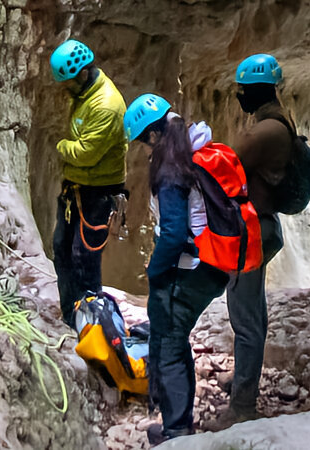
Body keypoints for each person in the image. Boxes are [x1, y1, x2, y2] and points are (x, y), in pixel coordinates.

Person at [123, 94, 251, 444]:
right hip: (212, 261)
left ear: (152, 136)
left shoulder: (170, 169)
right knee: (170, 332)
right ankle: (178, 422)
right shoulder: (194, 148)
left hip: (192, 266)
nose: (144, 151)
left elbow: (176, 231)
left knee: (168, 340)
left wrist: (155, 270)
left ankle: (176, 431)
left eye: (142, 144)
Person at [222, 53, 294, 424]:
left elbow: (228, 162)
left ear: (256, 90)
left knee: (247, 318)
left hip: (254, 230)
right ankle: (242, 381)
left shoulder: (268, 131)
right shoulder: (275, 122)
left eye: (243, 90)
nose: (240, 96)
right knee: (248, 310)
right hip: (258, 227)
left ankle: (243, 406)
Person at [48, 39, 129, 329]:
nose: (63, 88)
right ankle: (72, 317)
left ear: (82, 74)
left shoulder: (105, 105)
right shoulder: (84, 94)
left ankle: (91, 324)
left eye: (66, 82)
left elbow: (85, 154)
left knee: (85, 258)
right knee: (62, 249)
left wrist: (60, 147)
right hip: (77, 189)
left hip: (97, 194)